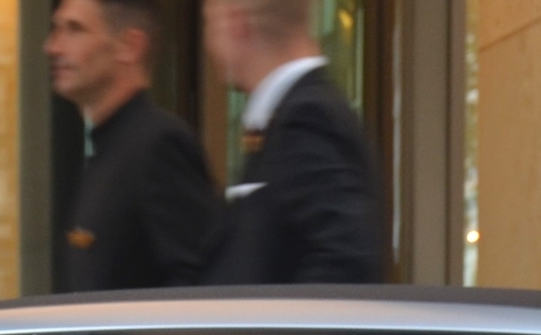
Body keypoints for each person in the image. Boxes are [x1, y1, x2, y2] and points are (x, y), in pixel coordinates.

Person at [47, 0, 224, 292]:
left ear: (130, 46)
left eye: (75, 29)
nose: (53, 47)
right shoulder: (107, 149)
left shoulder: (159, 145)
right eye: (57, 29)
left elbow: (199, 289)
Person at [201, 0, 381, 284]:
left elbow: (345, 261)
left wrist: (269, 329)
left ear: (236, 22)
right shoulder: (286, 118)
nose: (208, 43)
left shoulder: (308, 118)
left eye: (208, 24)